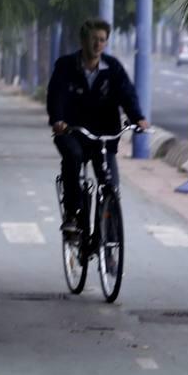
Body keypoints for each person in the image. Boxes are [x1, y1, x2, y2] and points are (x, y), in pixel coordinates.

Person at [46, 18, 148, 233]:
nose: (98, 44)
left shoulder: (113, 68)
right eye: (94, 39)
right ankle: (73, 215)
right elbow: (56, 95)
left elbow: (127, 94)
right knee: (72, 159)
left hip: (104, 135)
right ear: (83, 41)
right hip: (72, 131)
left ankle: (109, 245)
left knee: (110, 186)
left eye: (102, 40)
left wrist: (137, 117)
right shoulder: (66, 66)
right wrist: (57, 120)